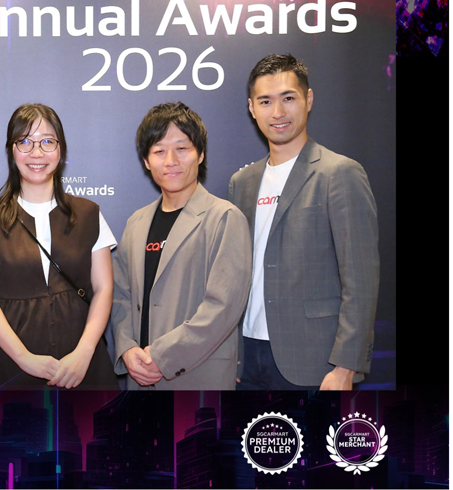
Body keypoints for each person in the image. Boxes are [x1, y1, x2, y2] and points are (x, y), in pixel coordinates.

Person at [229, 53, 379, 390]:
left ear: (308, 99)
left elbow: (361, 278)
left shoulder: (339, 173)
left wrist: (346, 367)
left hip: (315, 361)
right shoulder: (242, 182)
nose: (277, 112)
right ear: (252, 108)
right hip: (246, 358)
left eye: (288, 98)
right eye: (265, 101)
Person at [0, 103, 117, 389]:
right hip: (9, 363)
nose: (36, 153)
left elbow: (103, 288)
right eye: (25, 142)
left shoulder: (89, 213)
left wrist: (84, 353)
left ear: (61, 150)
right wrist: (24, 358)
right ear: (12, 150)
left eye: (47, 142)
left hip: (80, 362)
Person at [111, 102, 250, 390]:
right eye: (159, 151)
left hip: (197, 378)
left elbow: (222, 308)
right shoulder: (137, 223)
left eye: (182, 148)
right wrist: (127, 348)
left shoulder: (224, 218)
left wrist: (162, 357)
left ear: (201, 154)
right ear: (146, 161)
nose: (171, 160)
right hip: (140, 378)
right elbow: (120, 295)